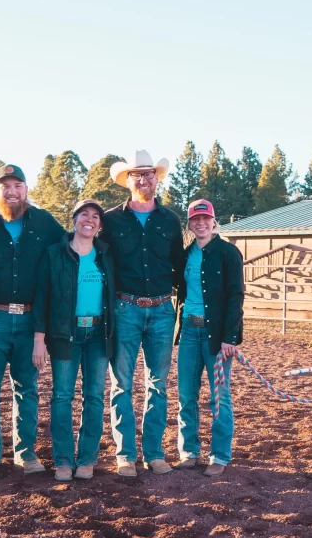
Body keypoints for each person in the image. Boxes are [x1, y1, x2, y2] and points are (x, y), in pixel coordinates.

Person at [0, 164, 65, 479]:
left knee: (27, 388)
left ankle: (26, 454)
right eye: (5, 186)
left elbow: (69, 252)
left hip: (29, 320)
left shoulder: (45, 223)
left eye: (17, 186)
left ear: (26, 189)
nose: (11, 192)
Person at [104, 150, 183, 476]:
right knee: (122, 384)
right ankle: (125, 455)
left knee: (158, 385)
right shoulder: (109, 221)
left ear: (156, 178)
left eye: (149, 173)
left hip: (163, 310)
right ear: (128, 180)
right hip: (126, 308)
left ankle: (153, 452)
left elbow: (180, 265)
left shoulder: (170, 220)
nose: (144, 179)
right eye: (137, 174)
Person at [33, 199, 116, 481]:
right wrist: (39, 339)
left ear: (99, 224)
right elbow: (42, 297)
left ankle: (87, 459)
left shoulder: (105, 254)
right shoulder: (55, 254)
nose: (89, 220)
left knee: (94, 397)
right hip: (64, 335)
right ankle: (64, 460)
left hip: (97, 334)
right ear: (74, 219)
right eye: (84, 214)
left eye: (95, 216)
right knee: (62, 396)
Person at [175, 198, 244, 476]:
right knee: (186, 394)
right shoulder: (185, 254)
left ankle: (220, 456)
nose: (201, 223)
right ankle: (189, 451)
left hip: (217, 335)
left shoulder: (228, 253)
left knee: (219, 396)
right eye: (195, 219)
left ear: (214, 221)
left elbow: (235, 296)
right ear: (190, 224)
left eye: (206, 219)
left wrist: (230, 337)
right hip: (190, 331)